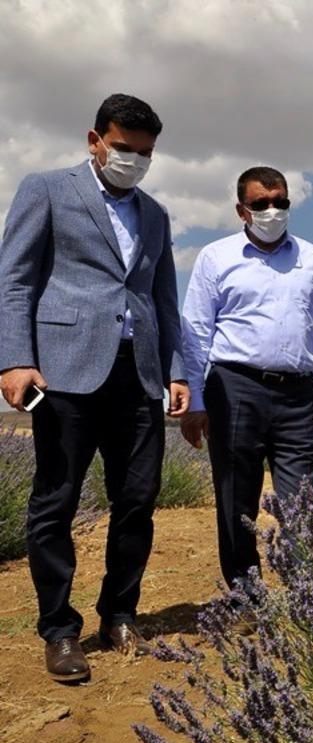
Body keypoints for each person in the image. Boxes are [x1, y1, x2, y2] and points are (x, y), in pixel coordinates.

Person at [0, 94, 187, 681]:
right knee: (55, 501)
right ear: (95, 140)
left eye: (145, 153)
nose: (132, 160)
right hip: (65, 370)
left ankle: (119, 612)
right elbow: (15, 279)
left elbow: (163, 298)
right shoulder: (48, 189)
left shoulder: (155, 214)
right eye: (123, 148)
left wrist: (177, 370)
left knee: (137, 499)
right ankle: (59, 629)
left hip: (140, 373)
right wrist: (14, 359)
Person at [180, 166, 313, 591]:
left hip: (299, 394)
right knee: (237, 497)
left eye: (281, 202)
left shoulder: (311, 257)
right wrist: (196, 401)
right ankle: (246, 593)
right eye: (261, 204)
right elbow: (196, 331)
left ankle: (305, 592)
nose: (272, 211)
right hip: (235, 388)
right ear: (242, 209)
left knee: (301, 501)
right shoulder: (216, 258)